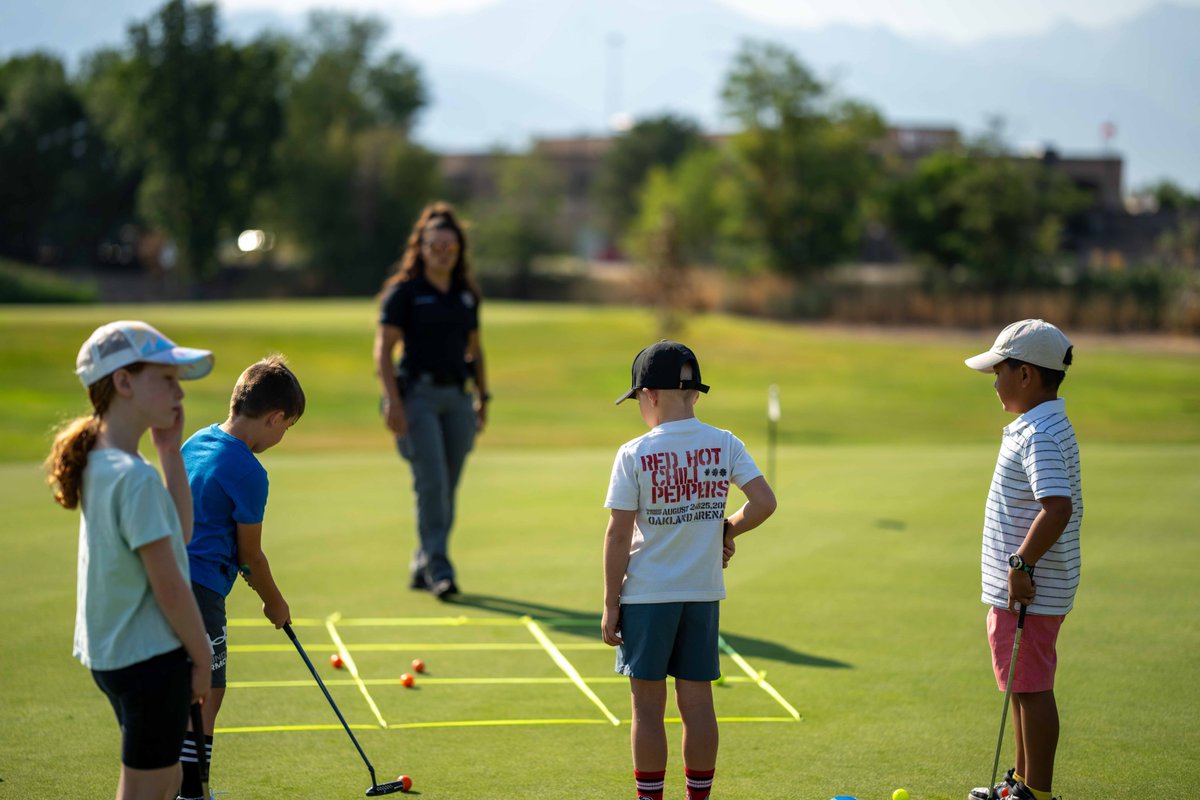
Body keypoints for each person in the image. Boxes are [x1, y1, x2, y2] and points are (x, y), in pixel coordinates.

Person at [46, 320, 214, 800]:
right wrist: (202, 655)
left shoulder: (106, 461)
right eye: (166, 379)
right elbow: (170, 585)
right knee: (147, 790)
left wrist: (169, 451)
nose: (179, 392)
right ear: (123, 382)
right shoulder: (132, 478)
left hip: (115, 656)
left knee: (164, 781)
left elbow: (179, 534)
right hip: (150, 660)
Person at [601, 340, 777, 800]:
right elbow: (764, 503)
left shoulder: (633, 452)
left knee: (647, 709)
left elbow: (618, 535)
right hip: (701, 594)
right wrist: (726, 531)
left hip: (646, 597)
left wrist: (609, 603)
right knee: (698, 705)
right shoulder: (725, 442)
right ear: (694, 393)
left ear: (650, 395)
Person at [176, 355, 305, 800]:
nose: (283, 436)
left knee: (179, 686)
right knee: (209, 691)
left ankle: (169, 784)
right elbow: (250, 556)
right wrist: (275, 602)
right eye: (287, 427)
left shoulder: (196, 441)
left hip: (164, 578)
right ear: (274, 418)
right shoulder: (250, 472)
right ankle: (192, 792)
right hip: (201, 591)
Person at [965, 320, 1082, 800]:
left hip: (1030, 588)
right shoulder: (1039, 426)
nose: (995, 382)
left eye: (999, 371)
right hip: (1027, 587)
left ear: (1027, 374)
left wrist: (1020, 566)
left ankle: (1037, 791)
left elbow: (1057, 507)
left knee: (1031, 690)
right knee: (1021, 685)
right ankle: (1021, 783)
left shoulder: (1039, 434)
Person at [374, 202, 490, 600]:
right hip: (417, 397)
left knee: (447, 487)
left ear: (459, 250)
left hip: (457, 398)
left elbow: (475, 350)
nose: (443, 252)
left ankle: (422, 562)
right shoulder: (404, 293)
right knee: (432, 484)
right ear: (421, 248)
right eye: (435, 246)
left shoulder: (465, 295)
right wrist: (392, 401)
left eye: (450, 246)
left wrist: (482, 398)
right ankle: (440, 570)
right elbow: (383, 350)